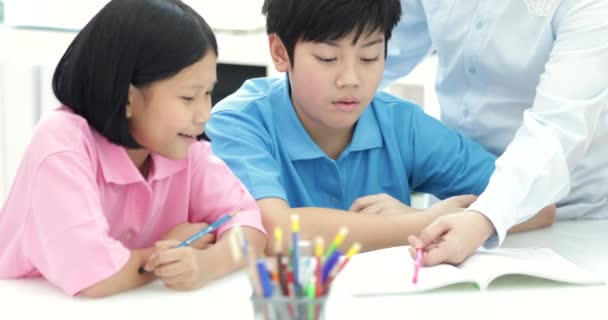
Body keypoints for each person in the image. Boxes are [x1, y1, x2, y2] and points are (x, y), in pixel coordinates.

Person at [205, 0, 554, 254]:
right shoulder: (239, 122)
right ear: (280, 53)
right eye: (328, 59)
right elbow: (277, 230)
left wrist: (415, 217)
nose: (351, 79)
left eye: (370, 57)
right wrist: (422, 222)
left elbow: (538, 205)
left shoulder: (400, 123)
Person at [0, 0, 266, 298]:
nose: (204, 114)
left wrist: (205, 263)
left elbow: (249, 225)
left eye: (208, 93)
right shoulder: (63, 144)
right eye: (189, 97)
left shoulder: (183, 147)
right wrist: (166, 253)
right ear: (128, 98)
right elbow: (92, 275)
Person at [383, 0, 608, 265]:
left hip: (571, 221)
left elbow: (558, 128)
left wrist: (485, 215)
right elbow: (374, 48)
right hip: (452, 212)